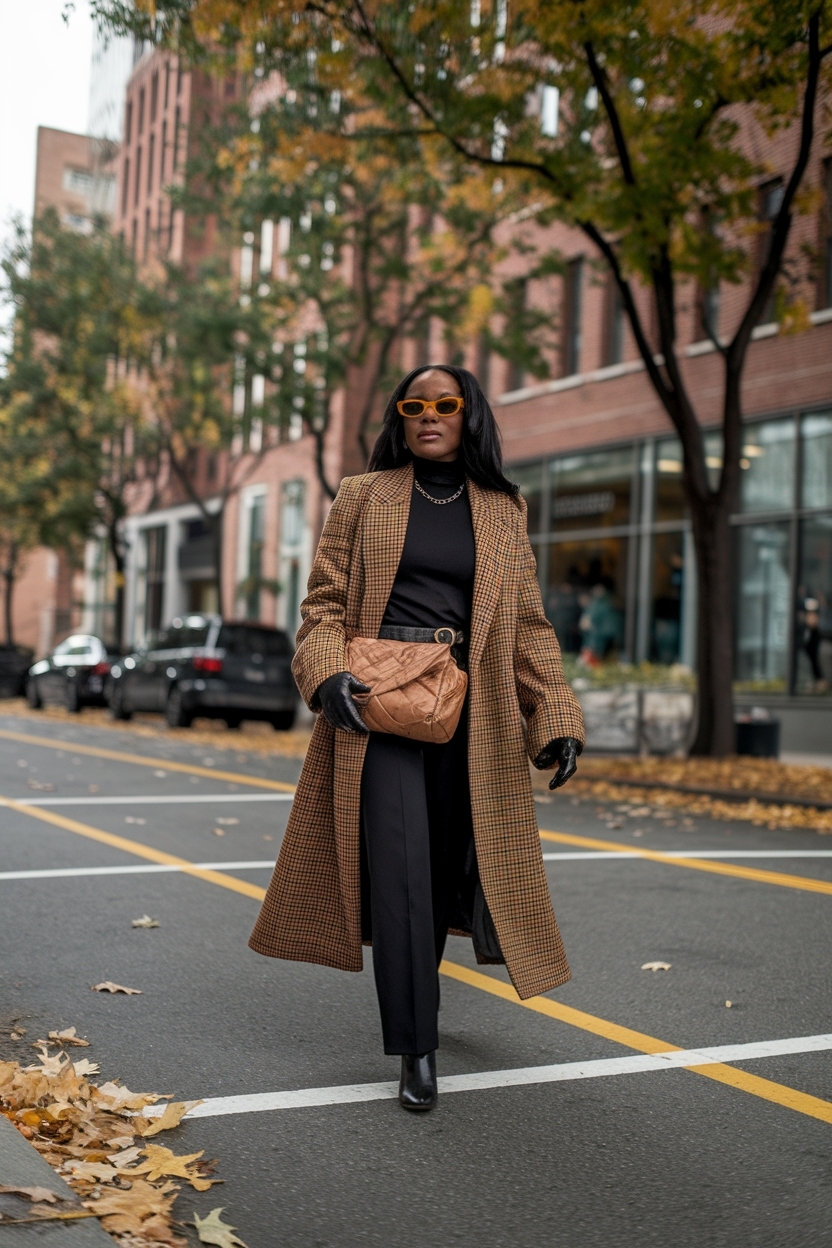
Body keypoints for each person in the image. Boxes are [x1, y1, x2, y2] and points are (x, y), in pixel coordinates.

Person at [249, 365, 585, 1111]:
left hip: (473, 710)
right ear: (399, 418)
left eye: (445, 404)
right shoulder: (364, 496)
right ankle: (416, 1049)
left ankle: (420, 1006)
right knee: (401, 871)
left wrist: (555, 714)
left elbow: (527, 625)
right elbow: (325, 602)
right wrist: (327, 673)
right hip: (379, 702)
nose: (429, 415)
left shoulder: (502, 508)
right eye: (414, 405)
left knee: (436, 876)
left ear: (470, 416)